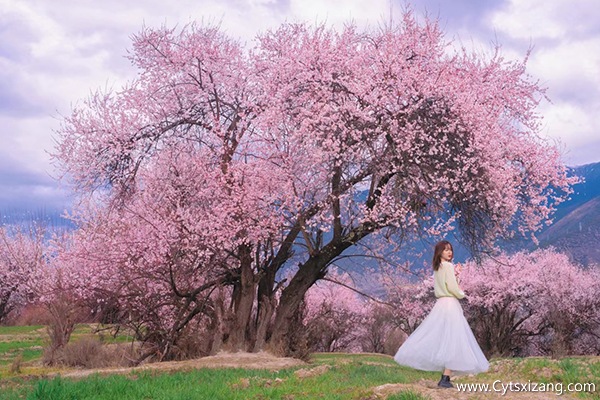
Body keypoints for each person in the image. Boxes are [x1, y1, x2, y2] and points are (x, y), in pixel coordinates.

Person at [393, 240, 489, 388]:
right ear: (439, 252)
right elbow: (452, 287)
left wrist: (456, 275)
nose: (449, 252)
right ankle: (445, 378)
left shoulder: (438, 267)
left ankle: (446, 376)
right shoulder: (448, 266)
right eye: (445, 250)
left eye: (450, 250)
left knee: (443, 337)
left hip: (441, 304)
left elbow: (444, 284)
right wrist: (462, 294)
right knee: (453, 338)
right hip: (450, 304)